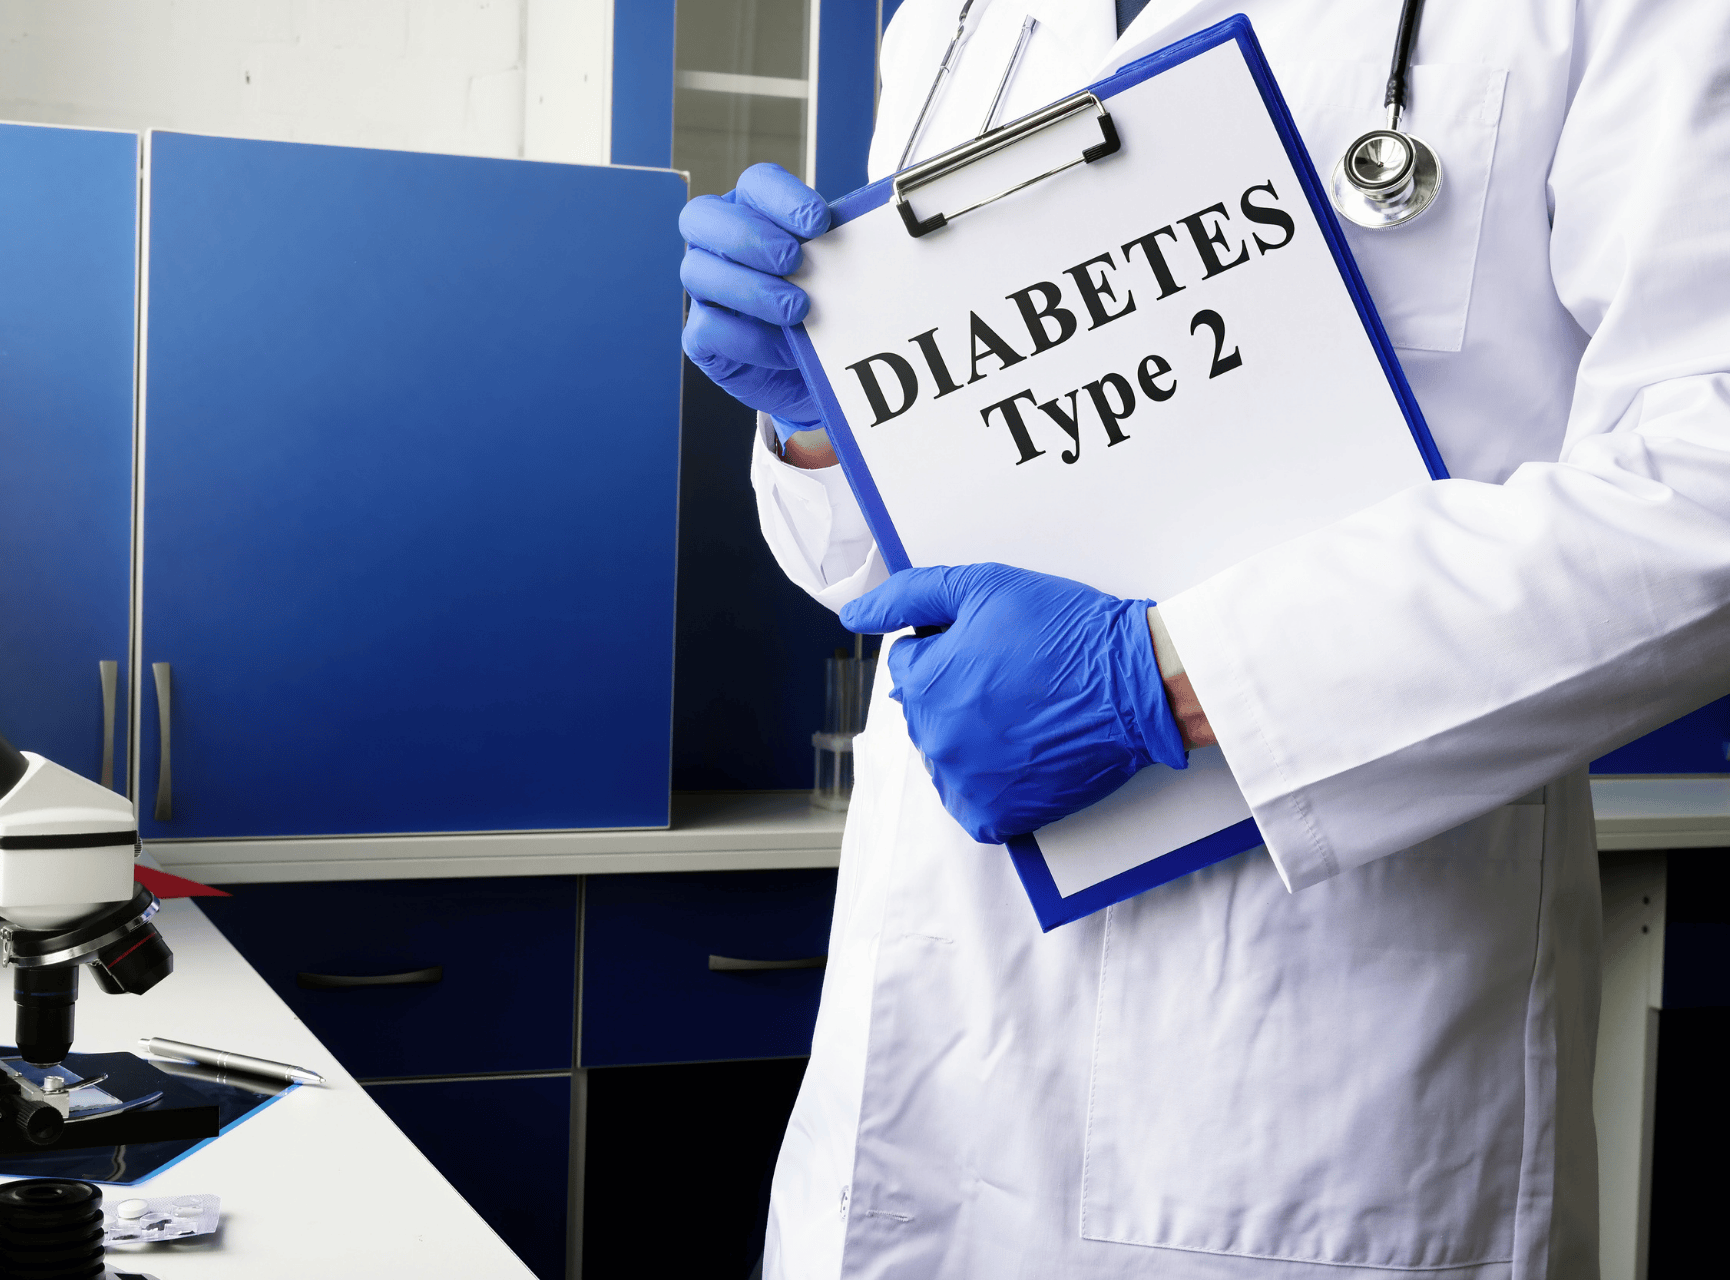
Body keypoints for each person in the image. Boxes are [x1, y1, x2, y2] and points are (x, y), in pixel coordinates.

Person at [680, 0, 1730, 1277]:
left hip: (1305, 1101)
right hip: (916, 1058)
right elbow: (866, 567)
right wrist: (831, 428)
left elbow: (1708, 489)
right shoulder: (949, 21)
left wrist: (1167, 679)